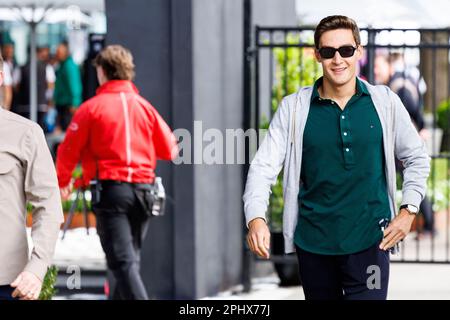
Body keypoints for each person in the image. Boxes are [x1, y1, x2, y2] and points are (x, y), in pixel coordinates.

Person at [243, 15, 430, 300]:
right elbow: (263, 166)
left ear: (359, 51)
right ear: (318, 55)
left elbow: (416, 157)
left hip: (371, 244)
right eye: (328, 52)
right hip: (314, 246)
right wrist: (255, 217)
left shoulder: (385, 102)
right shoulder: (294, 108)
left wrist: (409, 211)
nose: (338, 59)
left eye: (346, 50)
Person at [55, 45, 178, 300]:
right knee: (128, 263)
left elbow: (69, 150)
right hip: (145, 193)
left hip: (113, 192)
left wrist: (62, 183)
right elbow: (170, 149)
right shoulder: (144, 107)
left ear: (102, 71)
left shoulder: (92, 108)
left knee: (123, 264)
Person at [0, 53, 64, 300]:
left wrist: (36, 270)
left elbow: (48, 205)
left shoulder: (26, 133)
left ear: (2, 77)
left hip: (7, 283)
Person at [374, 53, 435, 237]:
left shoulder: (397, 85)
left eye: (379, 67)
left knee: (411, 177)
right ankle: (429, 225)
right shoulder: (395, 83)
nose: (376, 71)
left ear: (389, 66)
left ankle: (430, 225)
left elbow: (412, 107)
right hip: (400, 140)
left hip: (402, 142)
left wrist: (418, 128)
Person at [13, 46, 56, 131]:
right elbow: (51, 87)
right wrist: (49, 102)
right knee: (39, 131)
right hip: (40, 105)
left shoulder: (21, 68)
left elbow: (16, 86)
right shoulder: (47, 67)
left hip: (24, 105)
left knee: (25, 131)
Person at [53, 41, 82, 132]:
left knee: (68, 129)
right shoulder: (61, 65)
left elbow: (74, 85)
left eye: (59, 53)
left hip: (68, 106)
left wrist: (74, 103)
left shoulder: (69, 66)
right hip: (62, 104)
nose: (56, 55)